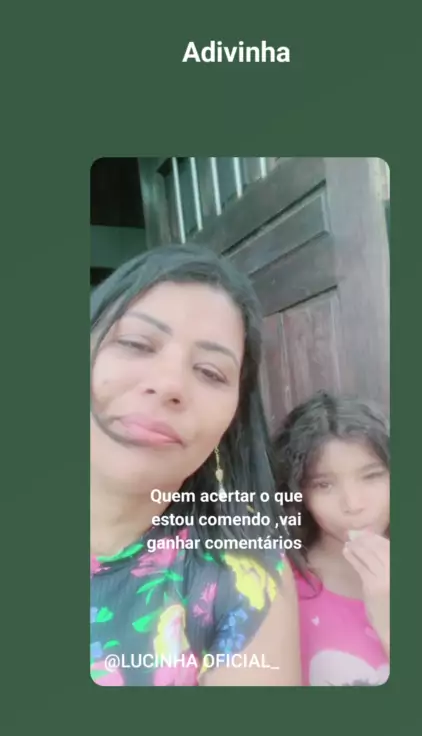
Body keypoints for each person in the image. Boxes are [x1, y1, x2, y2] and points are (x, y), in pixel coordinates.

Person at [90, 243, 300, 686]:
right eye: (135, 344)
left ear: (231, 422)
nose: (170, 384)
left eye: (209, 372)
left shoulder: (243, 580)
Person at [274, 391, 390, 686]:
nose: (353, 504)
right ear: (299, 493)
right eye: (324, 485)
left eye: (372, 476)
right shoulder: (280, 588)